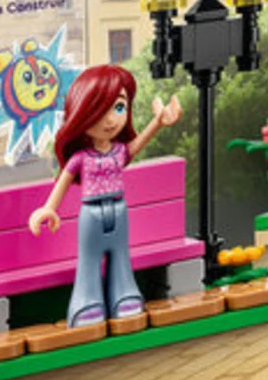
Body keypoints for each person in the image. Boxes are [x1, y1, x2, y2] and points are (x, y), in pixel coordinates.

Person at [29, 66, 182, 326]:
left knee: (120, 255)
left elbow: (138, 143)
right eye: (99, 110)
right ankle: (87, 302)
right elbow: (63, 181)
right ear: (81, 114)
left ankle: (124, 295)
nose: (110, 120)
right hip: (91, 214)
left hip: (118, 210)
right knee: (89, 260)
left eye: (119, 107)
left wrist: (158, 122)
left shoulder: (119, 152)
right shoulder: (80, 158)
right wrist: (49, 208)